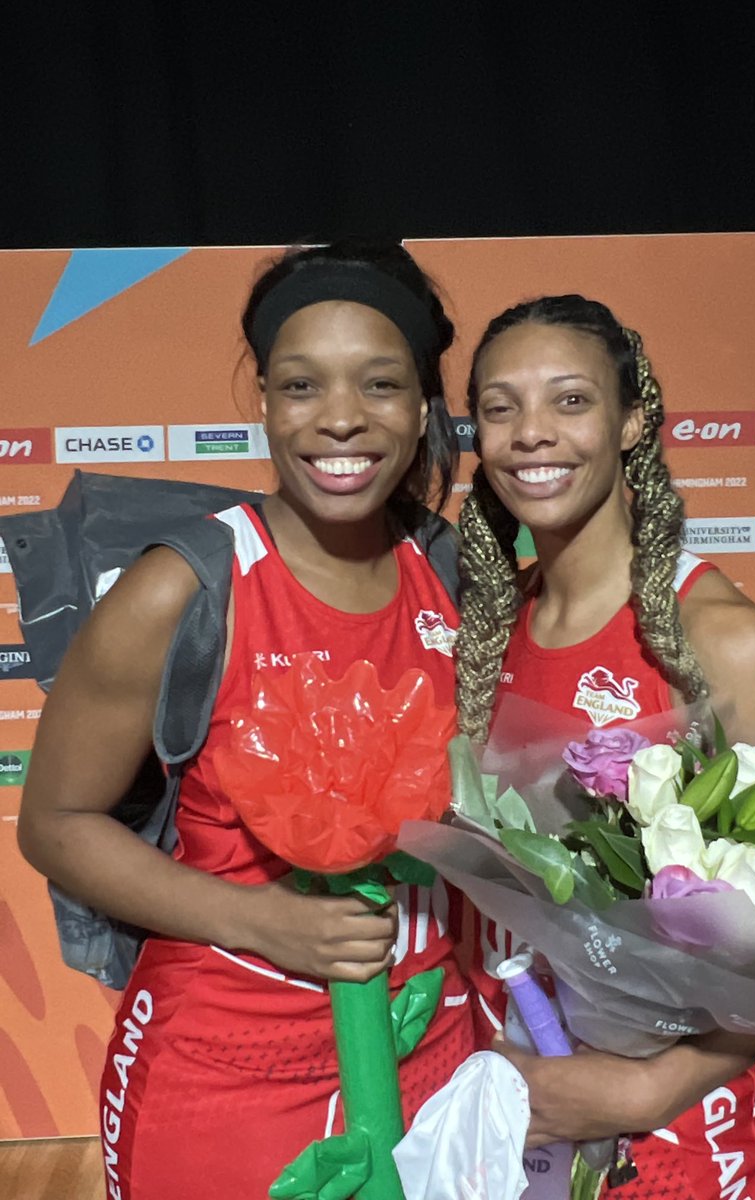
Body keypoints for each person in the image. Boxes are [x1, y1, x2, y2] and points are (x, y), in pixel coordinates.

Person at [17, 239, 479, 1199]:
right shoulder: (184, 588)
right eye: (302, 386)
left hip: (435, 1050)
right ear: (263, 400)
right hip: (223, 1070)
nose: (341, 418)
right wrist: (255, 918)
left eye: (381, 384)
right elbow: (54, 824)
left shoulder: (457, 575)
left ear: (423, 406)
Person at [453, 294, 755, 1199]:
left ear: (633, 420)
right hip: (504, 1112)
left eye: (571, 401)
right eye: (500, 408)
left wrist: (644, 1085)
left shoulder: (723, 639)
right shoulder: (477, 631)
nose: (531, 434)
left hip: (675, 1134)